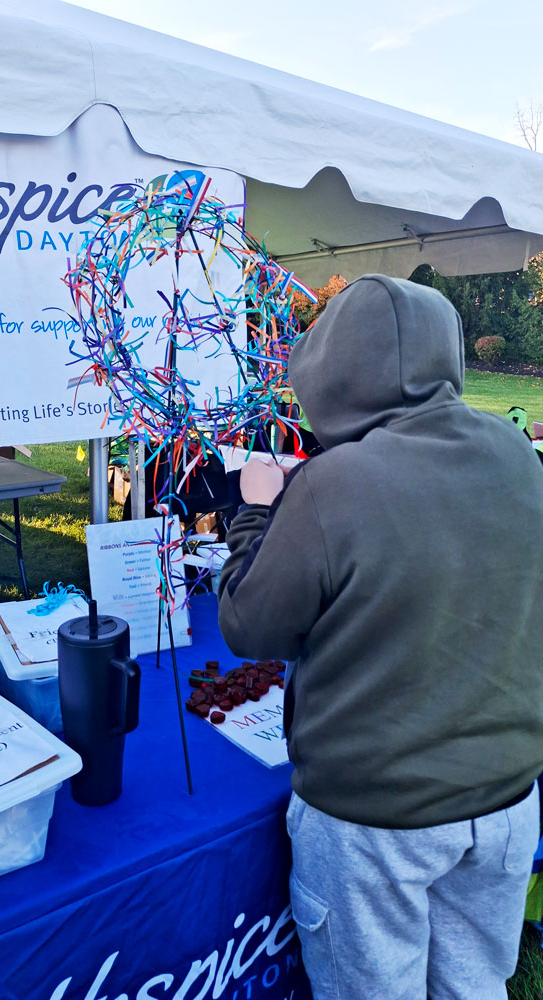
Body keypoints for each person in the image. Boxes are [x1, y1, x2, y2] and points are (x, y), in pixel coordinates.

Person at [217, 274, 543, 999]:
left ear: (334, 374)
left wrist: (254, 513)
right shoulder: (517, 453)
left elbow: (249, 626)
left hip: (375, 821)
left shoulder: (333, 483)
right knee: (473, 986)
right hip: (507, 798)